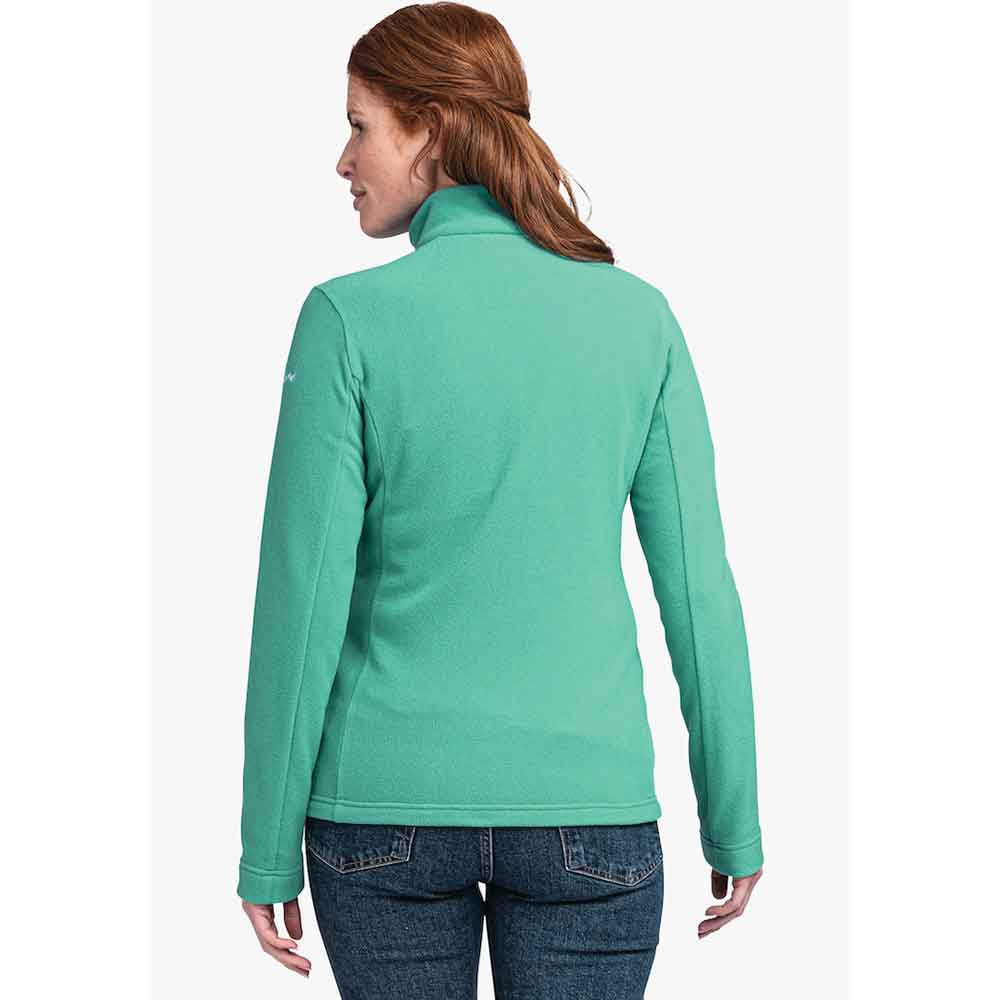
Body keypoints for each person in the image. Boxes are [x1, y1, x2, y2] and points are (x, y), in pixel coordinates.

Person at [237, 3, 763, 996]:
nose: (343, 160)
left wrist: (265, 848)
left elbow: (299, 605)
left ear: (430, 129)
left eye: (359, 125)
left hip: (381, 816)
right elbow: (700, 593)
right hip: (589, 817)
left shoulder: (347, 320)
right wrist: (733, 817)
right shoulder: (637, 319)